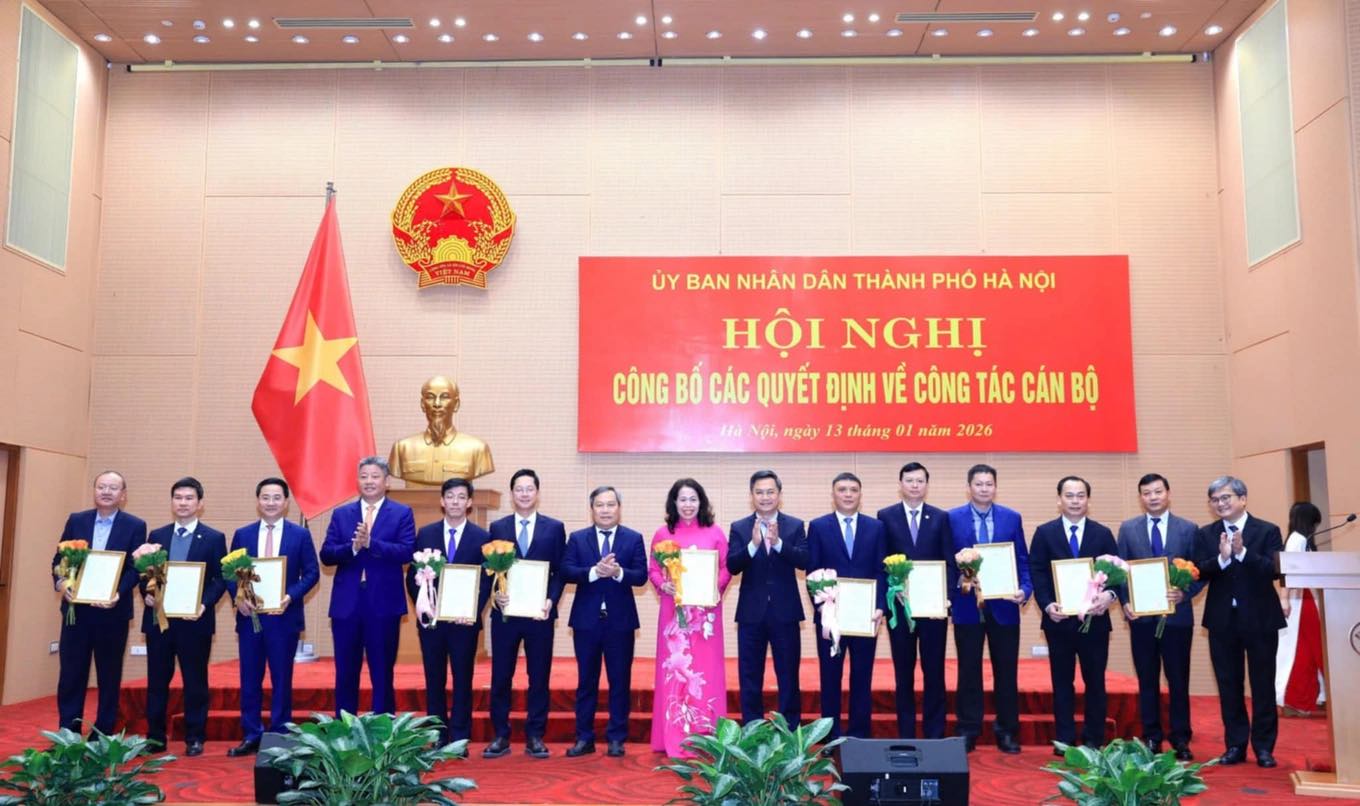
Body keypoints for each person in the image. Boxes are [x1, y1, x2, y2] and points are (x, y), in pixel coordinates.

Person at [1194, 475, 1285, 768]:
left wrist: (1242, 553)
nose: (1220, 504)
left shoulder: (1267, 530)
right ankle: (1235, 745)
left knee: (1262, 685)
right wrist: (1221, 559)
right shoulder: (1206, 534)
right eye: (1215, 500)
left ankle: (1264, 747)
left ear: (1242, 499)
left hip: (1260, 620)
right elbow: (1199, 570)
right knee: (1229, 685)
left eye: (1226, 498)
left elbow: (1273, 570)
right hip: (1223, 621)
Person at [226, 477, 320, 757]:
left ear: (286, 502)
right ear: (258, 501)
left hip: (283, 618)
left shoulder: (299, 535)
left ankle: (280, 733)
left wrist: (289, 596)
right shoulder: (243, 534)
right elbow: (230, 572)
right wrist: (238, 597)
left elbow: (312, 572)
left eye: (276, 497)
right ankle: (252, 733)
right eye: (265, 497)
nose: (271, 503)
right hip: (250, 618)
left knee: (282, 677)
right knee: (250, 678)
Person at [1029, 476, 1118, 755]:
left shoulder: (1102, 533)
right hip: (1059, 622)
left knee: (1095, 681)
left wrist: (1109, 597)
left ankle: (1094, 738)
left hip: (1096, 621)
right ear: (1059, 500)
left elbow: (1117, 573)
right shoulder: (1044, 533)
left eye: (1080, 496)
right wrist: (1046, 605)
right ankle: (1064, 738)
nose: (1075, 501)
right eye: (1069, 495)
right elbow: (1038, 573)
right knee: (1062, 682)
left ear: (1088, 501)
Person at [321, 457, 416, 716]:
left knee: (382, 670)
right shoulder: (342, 514)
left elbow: (407, 552)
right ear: (357, 481)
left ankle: (383, 729)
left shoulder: (401, 513)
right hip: (347, 605)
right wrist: (352, 547)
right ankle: (344, 728)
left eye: (375, 476)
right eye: (364, 476)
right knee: (345, 671)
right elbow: (327, 555)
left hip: (383, 605)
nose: (369, 481)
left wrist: (371, 543)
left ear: (386, 482)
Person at [1116, 473, 1202, 760]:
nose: (1152, 497)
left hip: (1177, 619)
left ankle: (1181, 739)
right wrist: (1126, 603)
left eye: (1157, 492)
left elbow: (1201, 572)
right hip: (1141, 620)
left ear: (1168, 493)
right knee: (1147, 680)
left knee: (1178, 680)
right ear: (1140, 497)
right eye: (1146, 493)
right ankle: (1151, 737)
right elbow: (1120, 573)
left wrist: (1185, 593)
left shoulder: (1189, 529)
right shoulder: (1128, 529)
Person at [54, 471, 146, 736]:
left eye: (113, 488)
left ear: (123, 495)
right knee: (71, 675)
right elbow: (57, 561)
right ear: (94, 490)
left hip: (112, 613)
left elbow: (135, 568)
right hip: (77, 612)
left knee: (109, 675)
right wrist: (62, 585)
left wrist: (117, 593)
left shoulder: (135, 525)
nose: (107, 492)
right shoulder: (76, 520)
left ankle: (104, 733)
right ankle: (68, 733)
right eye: (102, 487)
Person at [948, 464, 1030, 754]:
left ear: (996, 486)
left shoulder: (1011, 517)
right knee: (968, 670)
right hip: (967, 606)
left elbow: (1021, 558)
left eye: (989, 484)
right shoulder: (952, 518)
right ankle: (968, 729)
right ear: (969, 487)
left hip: (1005, 607)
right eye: (979, 484)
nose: (984, 489)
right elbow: (947, 562)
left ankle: (1007, 731)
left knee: (1006, 671)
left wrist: (1025, 590)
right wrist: (956, 583)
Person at [141, 477, 227, 756]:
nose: (183, 502)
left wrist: (204, 604)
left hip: (195, 622)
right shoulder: (157, 536)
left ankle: (194, 737)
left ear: (200, 504)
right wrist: (147, 593)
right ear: (172, 502)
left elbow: (220, 579)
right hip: (159, 621)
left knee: (195, 681)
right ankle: (155, 736)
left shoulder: (214, 538)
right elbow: (145, 575)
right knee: (156, 681)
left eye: (189, 498)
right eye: (178, 497)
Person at [484, 469, 567, 759]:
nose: (524, 494)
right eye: (519, 489)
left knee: (539, 677)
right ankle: (501, 735)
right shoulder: (497, 528)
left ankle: (535, 735)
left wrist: (550, 600)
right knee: (501, 676)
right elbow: (490, 573)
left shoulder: (554, 528)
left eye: (529, 488)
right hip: (506, 616)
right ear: (512, 494)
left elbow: (560, 572)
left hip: (539, 616)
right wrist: (496, 595)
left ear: (537, 493)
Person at [406, 478, 491, 751]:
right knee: (434, 678)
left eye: (461, 497)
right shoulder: (426, 534)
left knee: (463, 679)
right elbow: (412, 576)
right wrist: (424, 609)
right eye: (450, 496)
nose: (455, 502)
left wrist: (471, 611)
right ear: (442, 501)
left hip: (464, 623)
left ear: (469, 503)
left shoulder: (482, 538)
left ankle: (460, 738)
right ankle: (437, 735)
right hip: (432, 624)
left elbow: (487, 581)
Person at [562, 486, 647, 757]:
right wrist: (594, 572)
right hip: (586, 622)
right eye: (600, 505)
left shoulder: (633, 538)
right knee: (586, 681)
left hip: (620, 622)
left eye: (611, 505)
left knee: (619, 681)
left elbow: (641, 575)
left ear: (618, 508)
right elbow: (566, 570)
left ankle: (616, 738)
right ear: (592, 508)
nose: (606, 510)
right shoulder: (577, 538)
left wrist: (619, 572)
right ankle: (584, 738)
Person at [649, 478, 731, 757]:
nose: (687, 505)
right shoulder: (663, 534)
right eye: (682, 499)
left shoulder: (715, 532)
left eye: (693, 499)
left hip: (705, 615)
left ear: (702, 502)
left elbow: (726, 567)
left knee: (706, 671)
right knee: (676, 671)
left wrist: (713, 587)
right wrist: (663, 585)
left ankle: (706, 733)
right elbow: (654, 570)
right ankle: (674, 736)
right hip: (674, 613)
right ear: (674, 502)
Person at [807, 472, 886, 740]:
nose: (848, 494)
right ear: (833, 494)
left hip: (866, 617)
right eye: (842, 489)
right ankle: (830, 738)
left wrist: (880, 607)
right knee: (830, 679)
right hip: (832, 618)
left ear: (860, 494)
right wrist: (822, 607)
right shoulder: (818, 527)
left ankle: (858, 736)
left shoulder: (876, 528)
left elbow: (881, 571)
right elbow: (813, 571)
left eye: (853, 489)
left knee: (862, 679)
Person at [877, 461, 953, 739]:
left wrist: (948, 599)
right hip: (900, 608)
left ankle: (935, 733)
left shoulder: (941, 517)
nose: (915, 485)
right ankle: (906, 732)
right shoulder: (885, 516)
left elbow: (949, 561)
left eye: (920, 481)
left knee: (934, 673)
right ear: (901, 485)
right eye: (909, 481)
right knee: (903, 674)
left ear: (926, 485)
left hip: (933, 609)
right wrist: (890, 589)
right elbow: (881, 561)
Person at [727, 469, 807, 728]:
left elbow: (805, 561)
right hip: (752, 613)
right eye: (759, 492)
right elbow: (732, 565)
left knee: (788, 676)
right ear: (751, 496)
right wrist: (752, 545)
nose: (765, 497)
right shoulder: (739, 527)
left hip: (785, 612)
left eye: (770, 491)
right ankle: (752, 730)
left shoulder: (794, 525)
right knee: (750, 676)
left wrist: (779, 543)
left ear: (779, 494)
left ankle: (790, 730)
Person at [388, 376, 494, 484]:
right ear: (422, 404)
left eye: (444, 397)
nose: (437, 404)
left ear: (456, 404)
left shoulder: (477, 449)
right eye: (430, 397)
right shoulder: (401, 448)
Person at [1276, 501, 1324, 716]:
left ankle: (1306, 698)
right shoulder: (1299, 540)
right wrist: (1284, 599)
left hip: (1305, 597)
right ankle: (1297, 699)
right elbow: (1288, 573)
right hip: (1301, 600)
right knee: (1306, 650)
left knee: (1307, 650)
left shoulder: (1298, 539)